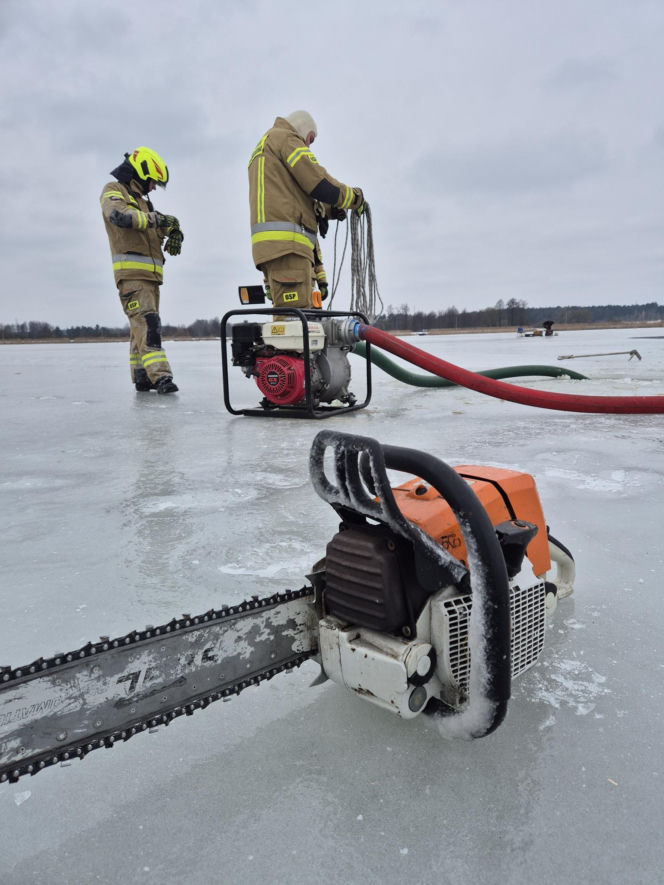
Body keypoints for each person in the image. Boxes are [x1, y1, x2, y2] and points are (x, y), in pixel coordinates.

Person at [248, 110, 365, 311]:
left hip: (273, 250)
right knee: (295, 324)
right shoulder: (286, 139)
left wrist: (330, 210)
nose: (308, 146)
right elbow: (319, 182)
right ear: (303, 129)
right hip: (289, 248)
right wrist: (353, 198)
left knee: (291, 319)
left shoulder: (265, 147)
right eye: (310, 139)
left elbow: (293, 198)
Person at [100, 147, 183, 394]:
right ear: (141, 174)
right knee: (149, 325)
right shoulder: (114, 191)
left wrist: (173, 229)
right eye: (153, 182)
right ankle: (161, 377)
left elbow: (151, 225)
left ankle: (142, 376)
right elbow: (120, 216)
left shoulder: (142, 203)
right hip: (132, 277)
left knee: (140, 327)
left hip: (149, 279)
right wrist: (156, 219)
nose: (154, 188)